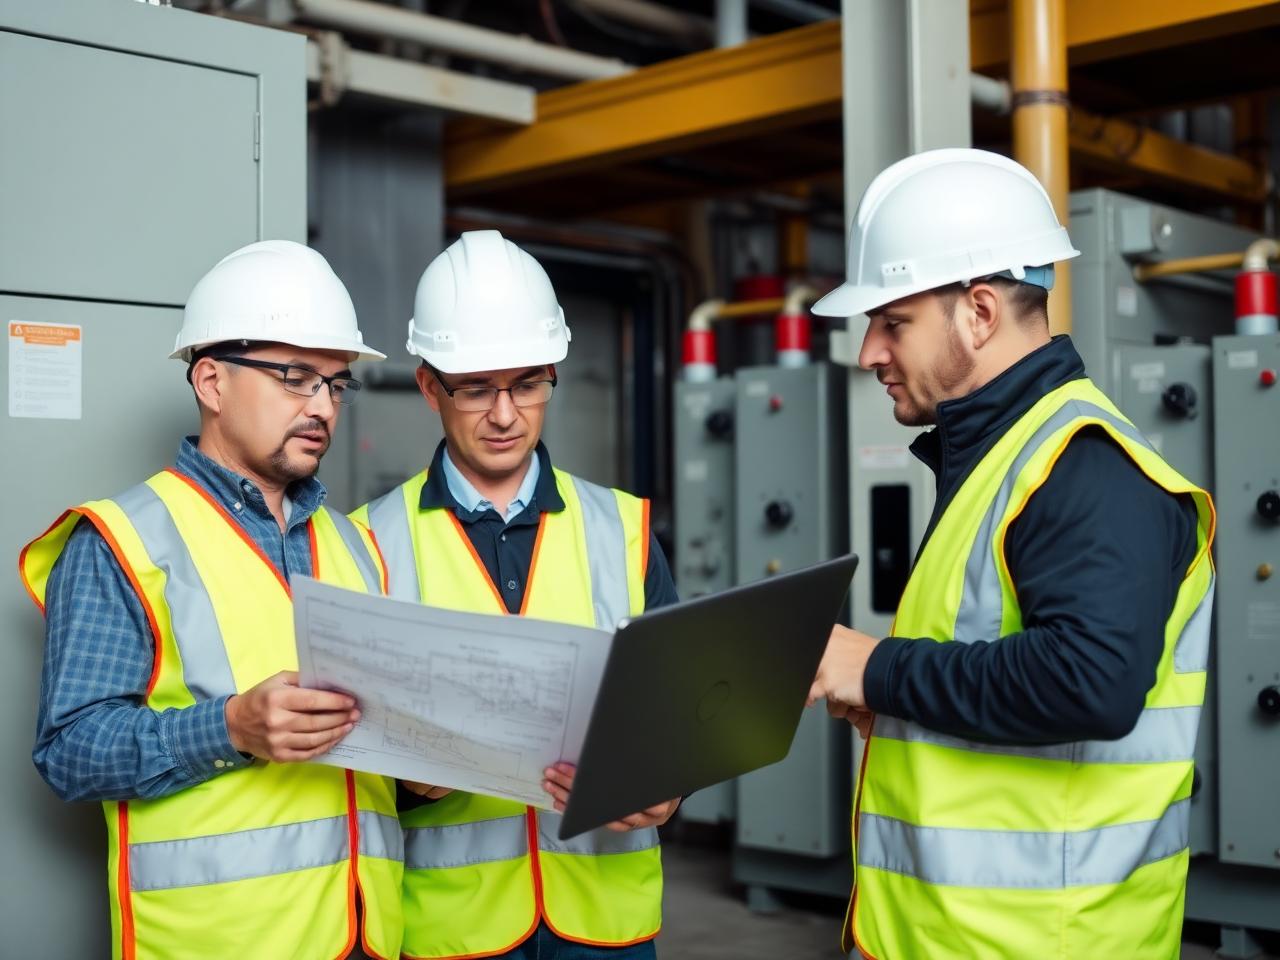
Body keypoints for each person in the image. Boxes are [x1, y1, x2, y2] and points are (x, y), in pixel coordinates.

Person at [806, 149, 1215, 960]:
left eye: (893, 322)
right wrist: (899, 703)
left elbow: (1091, 681)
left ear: (980, 313)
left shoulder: (1083, 465)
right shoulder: (1002, 456)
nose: (870, 354)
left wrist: (879, 669)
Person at [21, 241, 405, 960]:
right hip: (218, 944)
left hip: (367, 937)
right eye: (296, 378)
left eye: (336, 384)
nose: (322, 405)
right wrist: (230, 728)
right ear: (211, 382)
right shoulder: (124, 540)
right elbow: (70, 753)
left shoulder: (356, 545)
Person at [353, 230, 681, 960]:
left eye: (528, 383)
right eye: (475, 388)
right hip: (453, 928)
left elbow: (679, 703)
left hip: (604, 923)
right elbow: (343, 746)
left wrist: (671, 786)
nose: (505, 415)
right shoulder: (365, 543)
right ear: (428, 385)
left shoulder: (624, 528)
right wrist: (405, 783)